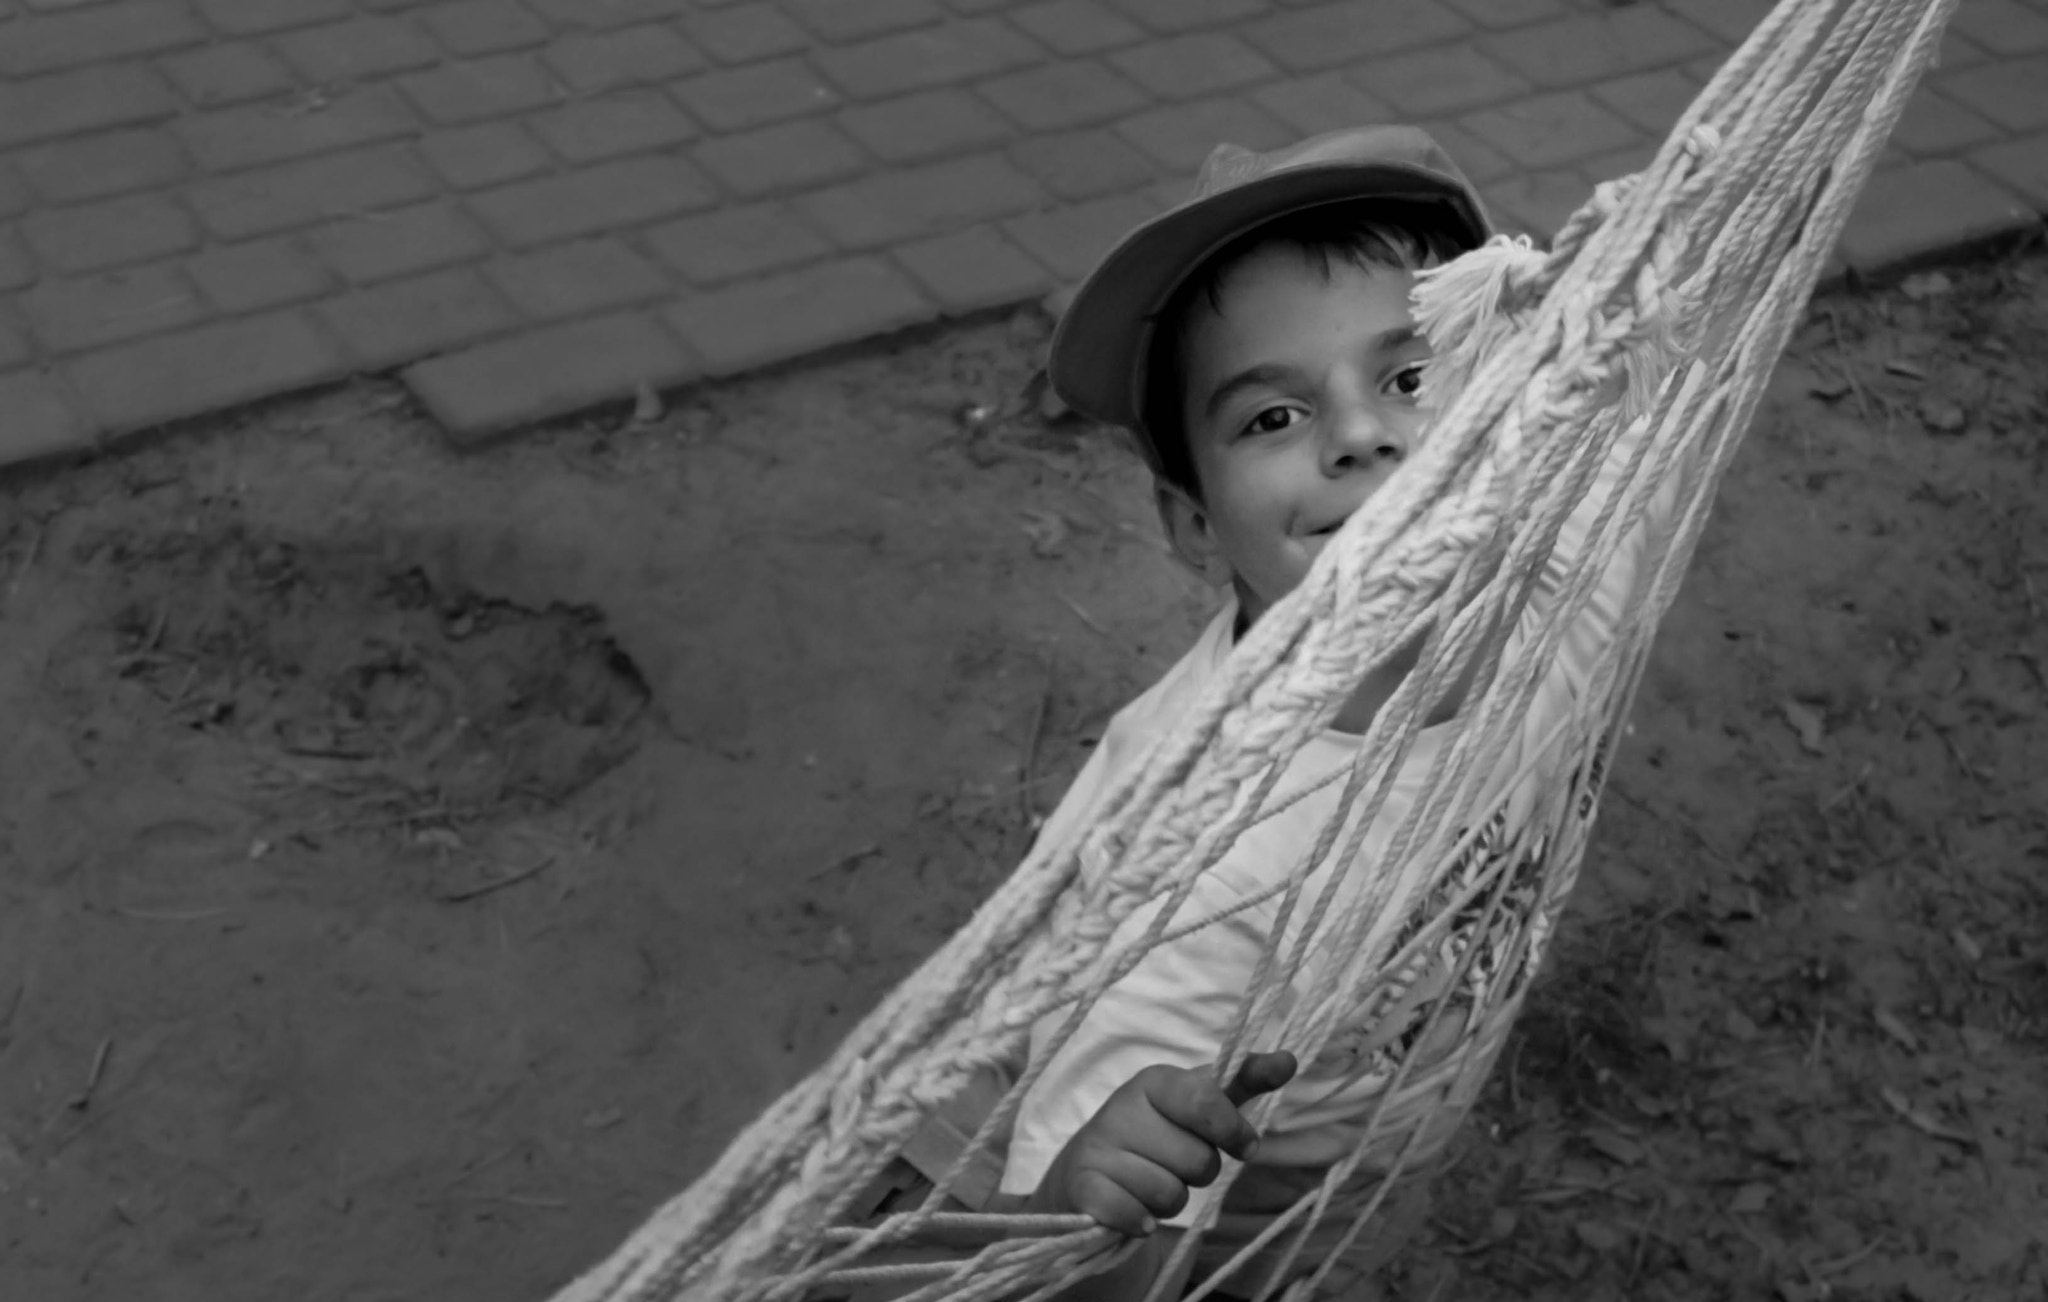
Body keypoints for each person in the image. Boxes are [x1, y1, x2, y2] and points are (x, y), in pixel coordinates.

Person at [979, 124, 1672, 1300]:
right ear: (1192, 525)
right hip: (1238, 1209)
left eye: (1410, 377)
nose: (1360, 435)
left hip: (1372, 1131)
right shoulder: (1206, 869)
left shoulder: (1583, 566)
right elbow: (1071, 1258)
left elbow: (1657, 395)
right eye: (1269, 418)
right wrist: (1075, 1206)